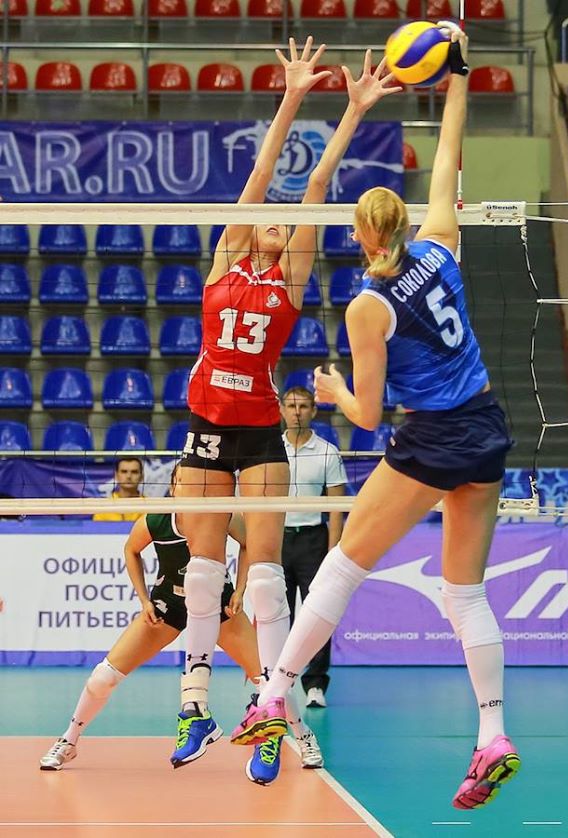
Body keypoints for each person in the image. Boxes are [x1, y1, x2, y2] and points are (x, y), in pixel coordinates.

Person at [232, 25, 521, 811]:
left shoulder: (368, 306)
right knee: (465, 594)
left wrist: (329, 393)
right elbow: (449, 160)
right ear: (404, 222)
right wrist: (457, 77)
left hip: (431, 437)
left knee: (343, 566)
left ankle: (272, 695)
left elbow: (365, 417)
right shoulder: (441, 244)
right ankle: (492, 733)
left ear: (361, 235)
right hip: (487, 427)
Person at [171, 36, 401, 786]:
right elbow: (262, 172)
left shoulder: (290, 275)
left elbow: (316, 183)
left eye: (283, 218)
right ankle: (195, 706)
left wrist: (351, 110)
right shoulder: (227, 257)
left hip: (262, 432)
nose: (275, 218)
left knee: (265, 579)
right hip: (208, 428)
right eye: (266, 215)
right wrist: (292, 94)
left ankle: (270, 710)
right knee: (203, 574)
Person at [39, 464, 322, 775]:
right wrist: (144, 600)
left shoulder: (222, 514)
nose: (194, 487)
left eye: (200, 483)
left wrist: (240, 590)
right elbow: (131, 550)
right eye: (184, 482)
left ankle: (304, 738)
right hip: (168, 607)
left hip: (219, 608)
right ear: (173, 487)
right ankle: (68, 740)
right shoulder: (157, 518)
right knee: (101, 678)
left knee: (270, 682)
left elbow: (248, 545)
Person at [280, 386, 347, 708]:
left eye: (304, 406)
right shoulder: (270, 450)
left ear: (313, 411)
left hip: (313, 540)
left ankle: (316, 684)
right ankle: (276, 681)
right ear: (281, 410)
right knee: (277, 614)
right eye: (291, 406)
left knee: (318, 612)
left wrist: (333, 553)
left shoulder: (327, 452)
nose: (297, 412)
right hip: (277, 538)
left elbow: (337, 508)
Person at [93, 457, 145, 522]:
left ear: (142, 476)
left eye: (134, 472)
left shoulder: (150, 507)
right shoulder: (103, 508)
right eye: (124, 472)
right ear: (116, 475)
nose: (129, 476)